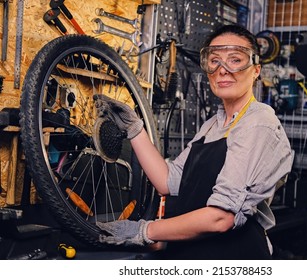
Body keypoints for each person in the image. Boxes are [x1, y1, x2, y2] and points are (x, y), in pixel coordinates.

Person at [94, 24, 294, 260]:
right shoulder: (212, 125)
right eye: (214, 60)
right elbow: (168, 181)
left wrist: (144, 231)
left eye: (235, 60)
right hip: (191, 253)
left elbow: (221, 218)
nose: (222, 70)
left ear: (256, 70)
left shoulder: (259, 122)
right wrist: (135, 129)